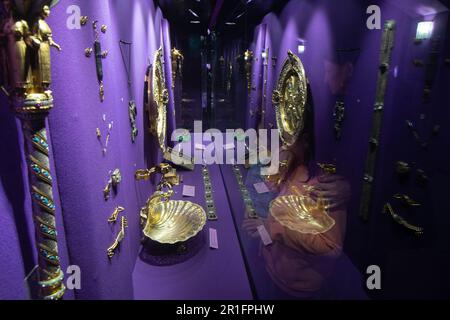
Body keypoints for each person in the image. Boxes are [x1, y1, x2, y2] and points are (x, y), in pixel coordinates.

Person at [242, 85, 351, 298]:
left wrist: (271, 228)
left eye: (289, 138)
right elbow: (264, 204)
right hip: (272, 269)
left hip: (300, 287)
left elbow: (330, 247)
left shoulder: (326, 187)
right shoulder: (289, 168)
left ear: (306, 140)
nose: (283, 145)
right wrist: (257, 217)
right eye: (282, 137)